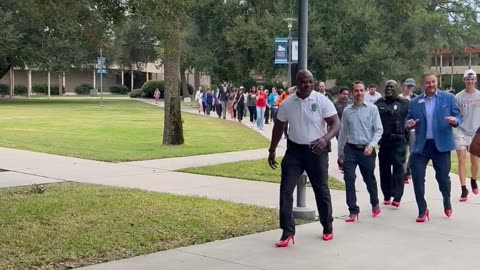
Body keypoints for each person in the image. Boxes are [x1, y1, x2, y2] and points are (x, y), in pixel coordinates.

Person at [268, 69, 340, 246]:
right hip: (294, 151)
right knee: (286, 190)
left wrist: (325, 139)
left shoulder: (322, 100)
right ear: (296, 83)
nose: (307, 84)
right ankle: (287, 231)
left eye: (310, 81)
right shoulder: (287, 103)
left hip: (317, 150)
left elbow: (335, 124)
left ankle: (327, 225)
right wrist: (272, 150)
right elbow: (279, 127)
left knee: (320, 188)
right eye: (303, 82)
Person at [406, 72, 462, 222]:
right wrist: (409, 124)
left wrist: (454, 121)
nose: (431, 85)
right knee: (417, 178)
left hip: (441, 146)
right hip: (421, 146)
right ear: (422, 85)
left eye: (433, 82)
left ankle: (446, 199)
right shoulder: (415, 101)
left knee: (443, 178)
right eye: (427, 83)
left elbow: (458, 116)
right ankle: (422, 209)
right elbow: (408, 119)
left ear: (436, 82)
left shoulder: (448, 98)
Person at [338, 81, 383, 222]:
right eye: (356, 91)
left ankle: (374, 202)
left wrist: (371, 145)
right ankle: (353, 210)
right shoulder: (347, 111)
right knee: (349, 179)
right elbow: (343, 132)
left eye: (361, 90)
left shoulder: (372, 109)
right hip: (350, 149)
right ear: (352, 93)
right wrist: (340, 153)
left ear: (365, 91)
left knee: (369, 178)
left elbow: (378, 130)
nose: (359, 93)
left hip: (366, 150)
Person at [375, 80, 409, 207]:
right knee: (384, 169)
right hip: (384, 142)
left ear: (397, 88)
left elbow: (410, 120)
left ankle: (397, 196)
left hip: (399, 141)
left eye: (392, 87)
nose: (389, 89)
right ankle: (387, 194)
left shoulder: (405, 104)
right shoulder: (378, 104)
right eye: (387, 87)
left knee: (399, 169)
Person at [454, 69, 480, 201]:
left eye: (472, 79)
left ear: (475, 80)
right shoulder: (458, 97)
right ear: (464, 80)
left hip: (476, 133)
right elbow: (455, 113)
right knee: (461, 160)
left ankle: (473, 179)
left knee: (475, 163)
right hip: (461, 131)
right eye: (467, 79)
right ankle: (464, 189)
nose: (470, 81)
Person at [399, 78, 418, 184]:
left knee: (413, 151)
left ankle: (408, 170)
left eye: (411, 86)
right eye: (408, 86)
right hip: (402, 128)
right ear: (404, 86)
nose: (409, 88)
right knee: (403, 151)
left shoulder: (415, 98)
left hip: (413, 128)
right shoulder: (399, 98)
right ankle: (403, 172)